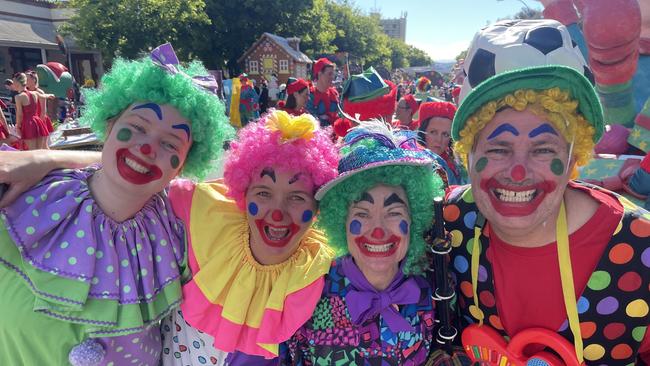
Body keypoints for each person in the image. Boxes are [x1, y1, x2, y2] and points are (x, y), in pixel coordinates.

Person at [0, 43, 232, 366]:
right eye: (137, 127)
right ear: (110, 125)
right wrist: (47, 158)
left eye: (169, 144)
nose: (147, 148)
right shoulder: (24, 194)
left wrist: (50, 156)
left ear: (182, 165)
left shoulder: (179, 222)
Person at [445, 58, 650, 366]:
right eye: (498, 149)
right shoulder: (449, 221)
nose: (517, 173)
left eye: (543, 150)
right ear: (469, 158)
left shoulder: (640, 249)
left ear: (570, 161)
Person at [159, 110, 338, 365]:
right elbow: (140, 181)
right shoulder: (205, 219)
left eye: (297, 197)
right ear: (243, 193)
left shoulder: (322, 267)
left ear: (317, 206)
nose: (278, 214)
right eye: (263, 193)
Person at [285, 120, 446, 364]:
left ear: (414, 219)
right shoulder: (309, 292)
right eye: (362, 213)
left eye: (394, 213)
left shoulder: (434, 289)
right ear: (342, 220)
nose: (378, 230)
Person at [417, 101, 467, 185]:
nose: (439, 140)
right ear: (423, 132)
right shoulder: (411, 163)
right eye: (433, 132)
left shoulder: (457, 165)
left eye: (445, 134)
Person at [12, 72, 50, 150]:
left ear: (17, 83)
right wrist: (50, 95)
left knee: (32, 151)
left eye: (13, 82)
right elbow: (44, 96)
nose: (12, 84)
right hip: (37, 122)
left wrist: (18, 126)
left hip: (28, 124)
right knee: (41, 150)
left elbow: (20, 114)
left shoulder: (18, 97)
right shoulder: (34, 93)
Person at [307, 58, 339, 127]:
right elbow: (310, 121)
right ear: (320, 74)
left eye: (333, 74)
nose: (332, 77)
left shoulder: (334, 94)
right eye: (329, 74)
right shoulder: (309, 96)